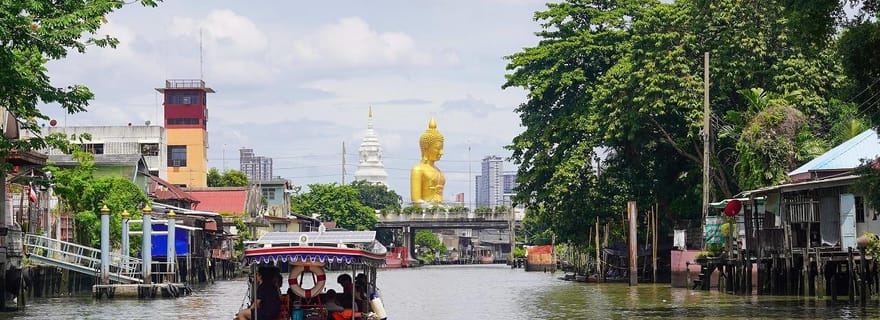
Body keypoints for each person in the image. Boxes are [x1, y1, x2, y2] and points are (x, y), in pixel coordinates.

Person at [410, 118, 446, 207]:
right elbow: (416, 201)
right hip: (426, 211)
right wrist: (430, 208)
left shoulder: (438, 171)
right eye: (437, 148)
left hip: (440, 211)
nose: (441, 152)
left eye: (442, 148)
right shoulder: (418, 169)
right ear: (426, 148)